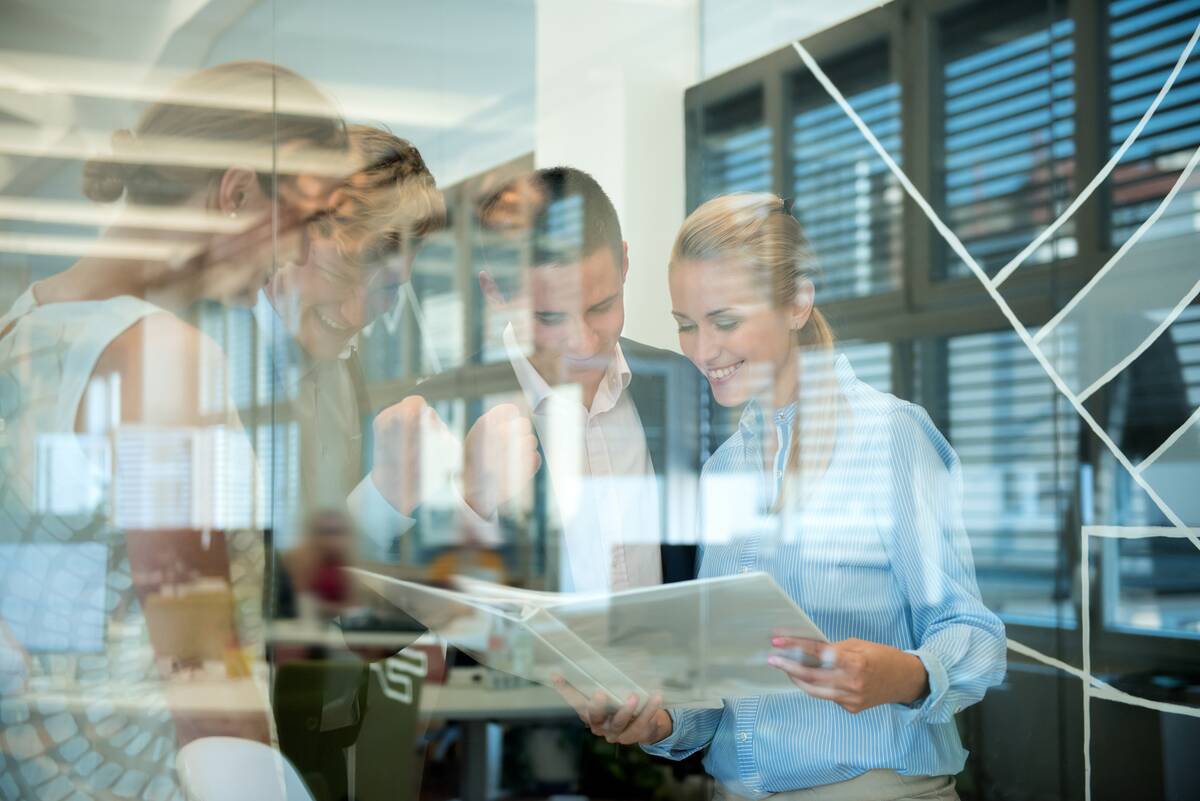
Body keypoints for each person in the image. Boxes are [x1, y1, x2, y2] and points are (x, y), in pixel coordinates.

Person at [561, 193, 1006, 801]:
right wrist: (657, 720)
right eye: (686, 325)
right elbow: (718, 687)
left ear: (797, 302)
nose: (702, 350)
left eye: (725, 320)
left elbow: (974, 634)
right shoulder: (722, 471)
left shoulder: (890, 437)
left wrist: (900, 674)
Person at [0, 60, 347, 801]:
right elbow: (203, 675)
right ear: (237, 191)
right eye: (305, 224)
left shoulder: (15, 330)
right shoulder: (163, 360)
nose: (299, 260)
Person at [366, 166, 704, 593]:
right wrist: (472, 503)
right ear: (495, 294)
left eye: (601, 306)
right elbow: (375, 635)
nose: (583, 341)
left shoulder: (683, 384)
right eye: (549, 317)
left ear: (624, 263)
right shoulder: (438, 413)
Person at [256, 124, 446, 547]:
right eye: (336, 272)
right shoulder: (208, 365)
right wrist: (386, 495)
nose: (357, 314)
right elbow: (250, 587)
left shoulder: (344, 372)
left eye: (388, 288)